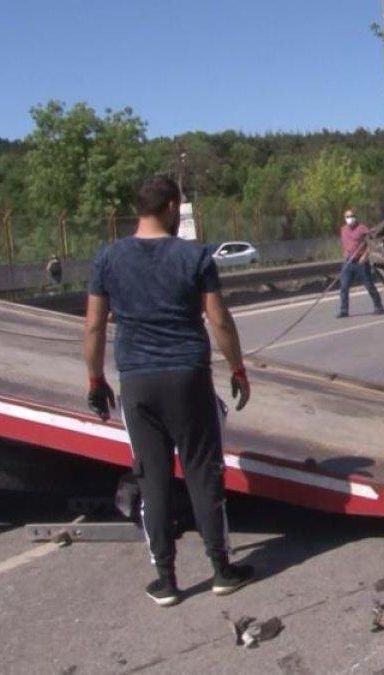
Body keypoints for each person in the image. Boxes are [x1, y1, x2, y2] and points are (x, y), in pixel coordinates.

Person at [84, 175, 254, 607]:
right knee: (202, 472)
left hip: (137, 382)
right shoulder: (194, 256)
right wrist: (237, 368)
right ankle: (221, 570)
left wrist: (95, 379)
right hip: (187, 378)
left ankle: (166, 580)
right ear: (172, 208)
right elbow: (219, 319)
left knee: (152, 479)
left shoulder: (108, 258)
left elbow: (94, 326)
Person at [338, 209, 384, 318]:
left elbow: (371, 242)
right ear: (344, 219)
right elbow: (344, 243)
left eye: (352, 216)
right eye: (348, 217)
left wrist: (365, 255)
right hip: (348, 262)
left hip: (361, 262)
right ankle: (344, 310)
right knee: (344, 286)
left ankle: (378, 306)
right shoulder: (343, 230)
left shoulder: (362, 228)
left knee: (369, 285)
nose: (350, 218)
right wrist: (345, 253)